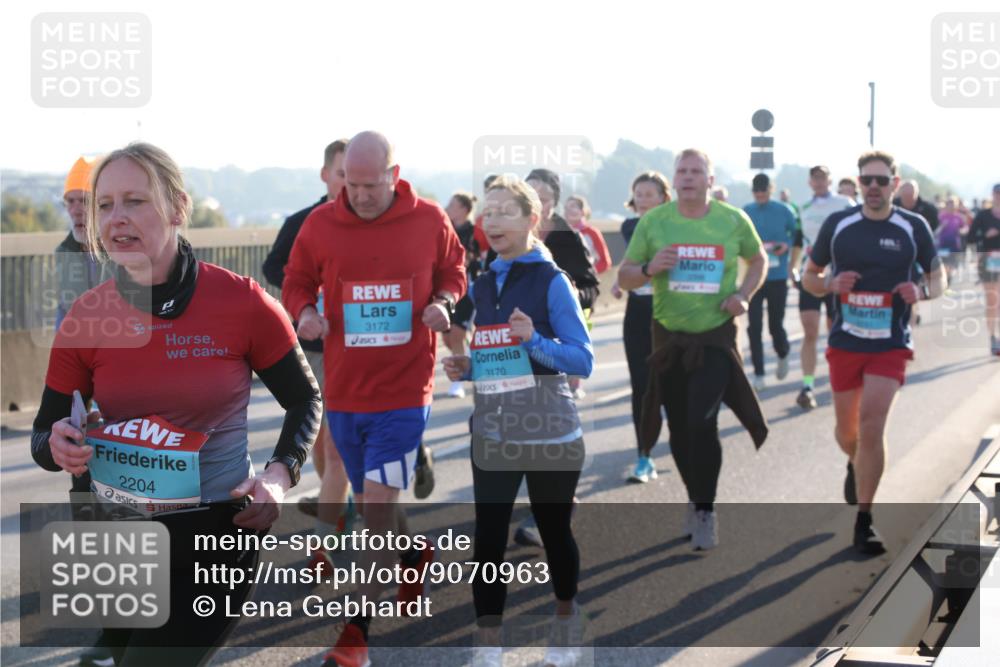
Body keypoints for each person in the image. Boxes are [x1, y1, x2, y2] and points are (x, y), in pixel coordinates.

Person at [31, 142, 322, 665]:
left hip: (216, 532)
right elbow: (43, 435)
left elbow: (305, 399)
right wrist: (59, 445)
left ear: (178, 208)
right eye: (104, 205)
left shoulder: (242, 302)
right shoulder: (86, 317)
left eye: (135, 201)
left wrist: (279, 475)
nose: (116, 218)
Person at [281, 131, 466, 667]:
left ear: (394, 175)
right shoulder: (320, 224)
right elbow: (295, 280)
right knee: (370, 505)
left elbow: (454, 271)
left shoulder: (429, 219)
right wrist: (304, 313)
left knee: (376, 511)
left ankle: (355, 635)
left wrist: (443, 302)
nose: (360, 196)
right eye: (352, 184)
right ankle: (414, 555)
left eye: (371, 185)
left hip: (405, 391)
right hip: (345, 392)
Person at [443, 175, 594, 667]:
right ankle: (489, 644)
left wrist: (535, 341)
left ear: (533, 219)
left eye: (505, 212)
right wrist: (470, 367)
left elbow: (582, 359)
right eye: (488, 212)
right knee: (488, 540)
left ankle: (566, 623)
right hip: (494, 430)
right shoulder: (484, 283)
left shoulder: (553, 281)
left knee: (554, 532)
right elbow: (498, 357)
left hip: (551, 430)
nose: (493, 221)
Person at [618, 149, 769, 550]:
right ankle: (694, 494)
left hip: (715, 336)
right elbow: (626, 277)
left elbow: (758, 260)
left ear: (709, 180)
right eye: (681, 171)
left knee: (703, 421)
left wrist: (743, 295)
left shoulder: (732, 220)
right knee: (679, 427)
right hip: (668, 337)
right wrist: (650, 269)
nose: (687, 177)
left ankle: (705, 509)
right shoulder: (654, 222)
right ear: (674, 179)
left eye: (695, 171)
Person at [802, 150, 944, 555]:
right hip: (846, 341)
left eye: (882, 180)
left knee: (871, 425)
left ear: (894, 184)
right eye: (867, 180)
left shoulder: (912, 226)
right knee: (848, 433)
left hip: (890, 342)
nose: (874, 187)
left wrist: (922, 291)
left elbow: (939, 277)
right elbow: (810, 278)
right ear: (859, 182)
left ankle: (864, 519)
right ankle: (855, 462)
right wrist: (830, 285)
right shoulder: (839, 224)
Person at [261, 139, 359, 570]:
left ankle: (324, 538)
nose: (350, 184)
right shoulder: (303, 222)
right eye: (342, 175)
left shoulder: (371, 225)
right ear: (325, 175)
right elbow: (273, 267)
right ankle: (343, 505)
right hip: (312, 347)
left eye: (358, 177)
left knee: (337, 449)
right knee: (320, 444)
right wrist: (306, 293)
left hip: (356, 350)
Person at [611, 171, 671, 483]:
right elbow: (630, 263)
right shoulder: (629, 226)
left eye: (650, 194)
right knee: (642, 387)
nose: (644, 200)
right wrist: (621, 281)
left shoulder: (676, 226)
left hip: (671, 313)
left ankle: (684, 440)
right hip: (638, 313)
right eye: (639, 194)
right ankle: (644, 456)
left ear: (663, 197)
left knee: (673, 386)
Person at [789, 165, 856, 410]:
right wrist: (792, 267)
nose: (819, 182)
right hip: (811, 275)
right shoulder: (802, 207)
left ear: (830, 180)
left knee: (833, 332)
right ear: (810, 182)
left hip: (837, 276)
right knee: (810, 331)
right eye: (815, 178)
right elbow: (797, 241)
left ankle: (835, 378)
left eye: (823, 178)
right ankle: (807, 385)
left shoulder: (845, 204)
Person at [742, 173, 797, 389]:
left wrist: (786, 245)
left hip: (777, 276)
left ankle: (783, 352)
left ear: (770, 189)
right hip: (754, 277)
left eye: (763, 191)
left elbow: (797, 235)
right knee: (754, 327)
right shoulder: (746, 211)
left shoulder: (784, 210)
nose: (759, 195)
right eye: (756, 191)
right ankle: (759, 373)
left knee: (775, 325)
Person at [55, 156, 109, 329]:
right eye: (70, 201)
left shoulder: (124, 250)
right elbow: (63, 311)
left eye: (85, 201)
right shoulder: (64, 252)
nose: (76, 211)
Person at [442, 191, 482, 399]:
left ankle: (457, 381)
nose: (448, 208)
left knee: (457, 334)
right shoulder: (445, 229)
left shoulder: (475, 232)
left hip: (468, 290)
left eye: (452, 205)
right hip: (447, 291)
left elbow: (481, 258)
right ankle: (466, 359)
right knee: (448, 338)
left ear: (464, 210)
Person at [969, 183, 1000, 355]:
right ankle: (993, 337)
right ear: (992, 195)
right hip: (988, 260)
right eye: (997, 193)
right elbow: (971, 237)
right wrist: (985, 235)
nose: (999, 196)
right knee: (992, 300)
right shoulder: (983, 215)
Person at [564, 194, 611, 274]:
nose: (569, 210)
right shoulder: (559, 233)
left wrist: (589, 274)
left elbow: (605, 262)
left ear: (582, 211)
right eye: (566, 208)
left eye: (573, 206)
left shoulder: (592, 233)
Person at [936, 196, 966, 276]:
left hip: (955, 245)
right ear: (946, 205)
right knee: (944, 264)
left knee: (952, 265)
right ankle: (946, 279)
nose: (951, 207)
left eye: (953, 205)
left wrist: (962, 231)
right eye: (949, 205)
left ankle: (948, 278)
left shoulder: (959, 217)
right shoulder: (941, 216)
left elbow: (965, 228)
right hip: (943, 245)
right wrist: (942, 227)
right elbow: (935, 232)